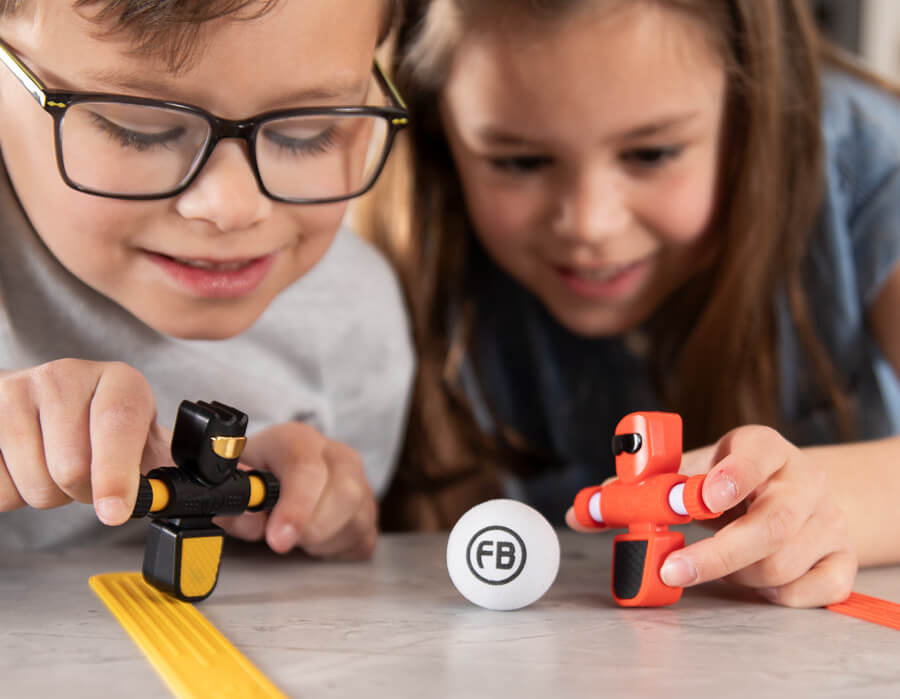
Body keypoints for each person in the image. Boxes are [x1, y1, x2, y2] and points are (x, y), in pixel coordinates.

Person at [364, 0, 900, 607]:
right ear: (437, 136)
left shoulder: (869, 163)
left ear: (750, 113)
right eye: (519, 161)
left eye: (652, 154)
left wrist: (826, 505)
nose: (591, 224)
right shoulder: (395, 242)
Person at [0, 0, 415, 558]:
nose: (232, 207)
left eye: (308, 131)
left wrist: (322, 517)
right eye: (139, 130)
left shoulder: (354, 318)